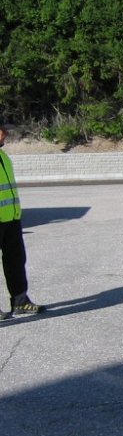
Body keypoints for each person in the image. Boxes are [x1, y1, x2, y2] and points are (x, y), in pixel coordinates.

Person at [0, 115, 44, 319]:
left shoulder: (3, 156)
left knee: (16, 261)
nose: (5, 134)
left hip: (11, 219)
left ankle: (20, 301)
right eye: (1, 130)